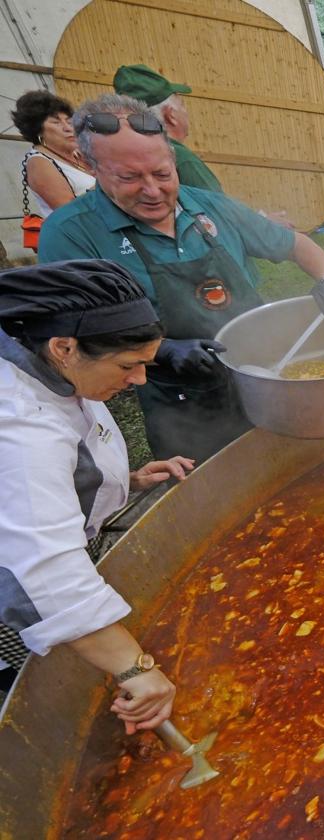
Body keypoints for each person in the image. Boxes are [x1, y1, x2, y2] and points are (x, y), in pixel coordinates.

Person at [38, 94, 324, 462]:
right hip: (180, 404)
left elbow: (293, 243)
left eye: (162, 173)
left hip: (267, 379)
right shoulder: (71, 232)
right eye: (129, 177)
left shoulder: (209, 205)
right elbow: (74, 333)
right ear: (89, 165)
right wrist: (161, 350)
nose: (152, 190)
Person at [0, 260, 190, 730]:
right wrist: (135, 668)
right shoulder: (20, 424)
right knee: (47, 699)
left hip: (55, 568)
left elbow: (50, 474)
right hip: (17, 603)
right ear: (64, 347)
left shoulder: (46, 365)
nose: (140, 380)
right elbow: (45, 570)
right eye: (128, 366)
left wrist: (123, 479)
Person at [112, 65, 222, 194]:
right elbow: (221, 212)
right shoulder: (181, 160)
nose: (186, 112)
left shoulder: (118, 159)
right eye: (182, 105)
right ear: (171, 115)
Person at [10, 91, 95, 235]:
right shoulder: (39, 162)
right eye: (56, 122)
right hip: (81, 238)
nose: (68, 128)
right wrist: (106, 184)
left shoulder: (78, 153)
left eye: (69, 121)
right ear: (38, 130)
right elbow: (71, 213)